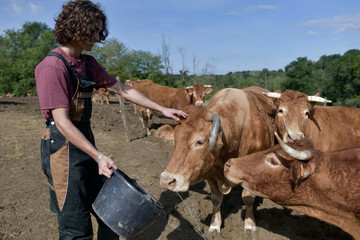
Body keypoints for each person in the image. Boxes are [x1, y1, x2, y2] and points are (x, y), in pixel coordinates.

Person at [34, 0, 187, 239]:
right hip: (62, 150)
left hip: (85, 144)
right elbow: (62, 122)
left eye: (99, 31)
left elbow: (123, 89)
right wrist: (99, 156)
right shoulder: (52, 68)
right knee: (76, 226)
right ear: (76, 28)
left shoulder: (88, 64)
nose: (97, 37)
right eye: (93, 31)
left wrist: (162, 109)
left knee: (115, 213)